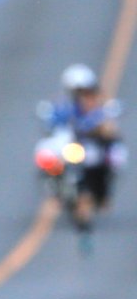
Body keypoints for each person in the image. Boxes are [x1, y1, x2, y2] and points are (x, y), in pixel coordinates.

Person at [42, 63, 125, 240]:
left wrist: (103, 131)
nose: (83, 96)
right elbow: (51, 125)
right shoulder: (61, 107)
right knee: (46, 157)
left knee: (112, 158)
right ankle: (55, 187)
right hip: (68, 148)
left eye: (86, 91)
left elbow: (110, 130)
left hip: (90, 151)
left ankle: (102, 193)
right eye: (79, 92)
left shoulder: (99, 110)